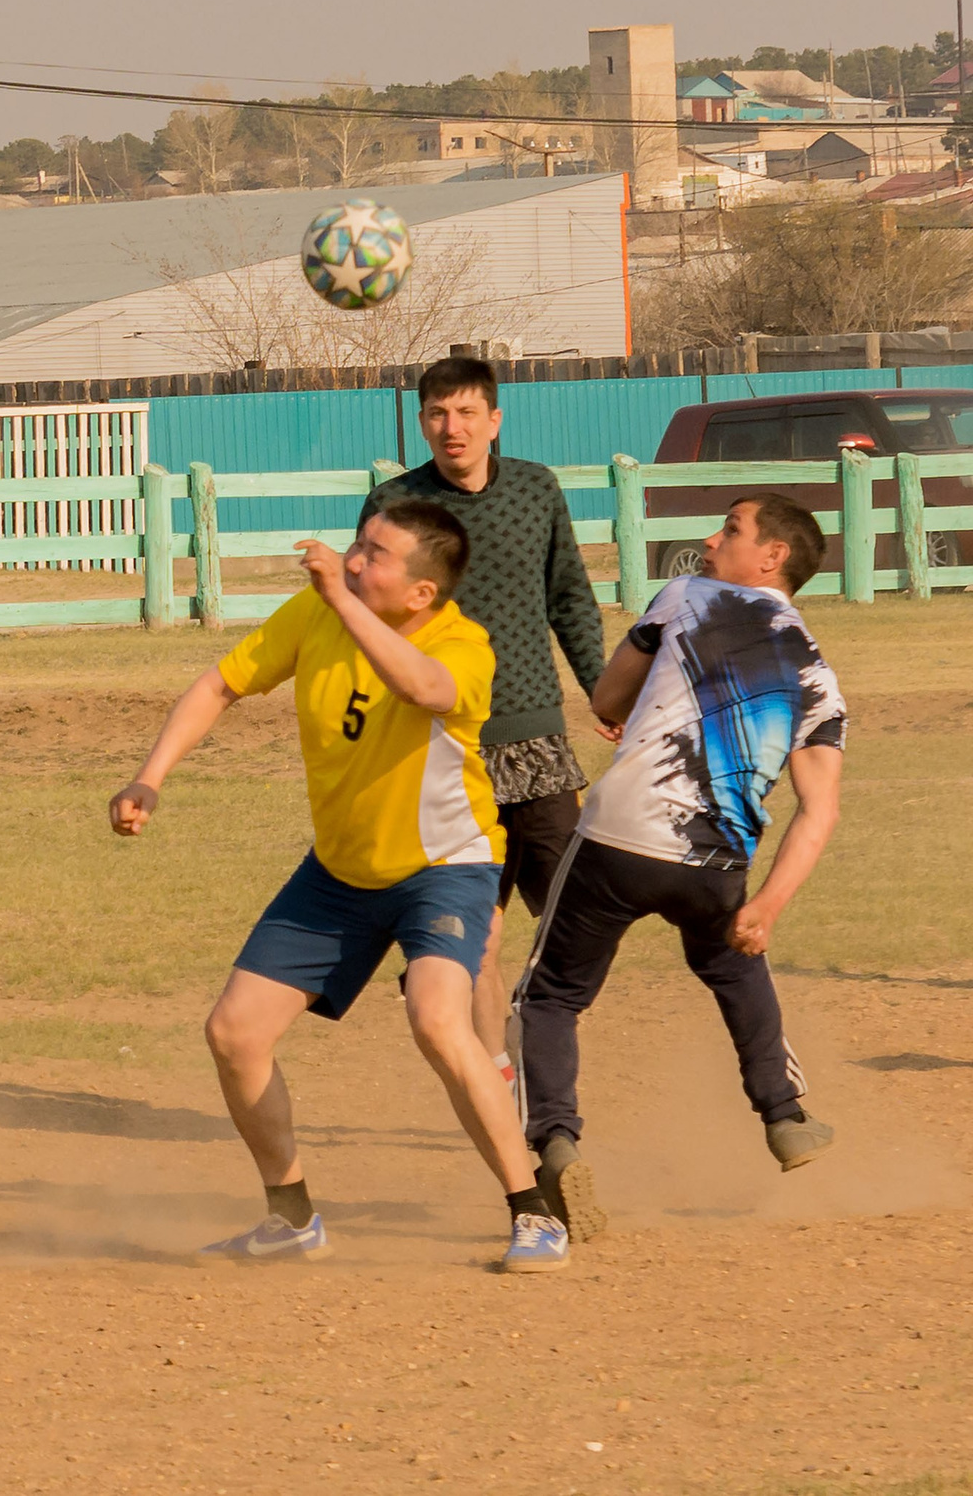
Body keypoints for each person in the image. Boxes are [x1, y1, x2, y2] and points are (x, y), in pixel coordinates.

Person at [111, 500, 568, 1273]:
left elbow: (422, 688)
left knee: (435, 1019)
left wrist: (341, 601)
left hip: (443, 867)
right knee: (234, 1033)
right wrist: (150, 777)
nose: (353, 561)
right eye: (357, 546)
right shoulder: (317, 614)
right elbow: (218, 686)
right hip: (339, 870)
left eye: (375, 555)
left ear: (422, 593)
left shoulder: (464, 645)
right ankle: (290, 1217)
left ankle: (533, 1213)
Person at [512, 495, 844, 1239]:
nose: (709, 539)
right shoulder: (817, 673)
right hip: (715, 858)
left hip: (618, 839)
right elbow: (819, 811)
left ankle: (556, 1142)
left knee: (551, 995)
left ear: (772, 557)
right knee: (734, 965)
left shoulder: (687, 594)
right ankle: (785, 1117)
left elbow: (605, 696)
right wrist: (769, 907)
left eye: (730, 530)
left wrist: (627, 707)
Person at [364, 353, 605, 1086]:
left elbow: (569, 597)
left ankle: (539, 1035)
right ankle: (501, 1077)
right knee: (479, 935)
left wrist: (605, 691)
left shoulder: (537, 490)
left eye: (467, 412)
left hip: (535, 744)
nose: (452, 427)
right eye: (438, 413)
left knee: (575, 919)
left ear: (494, 420)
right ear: (421, 422)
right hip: (441, 749)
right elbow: (373, 620)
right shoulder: (395, 504)